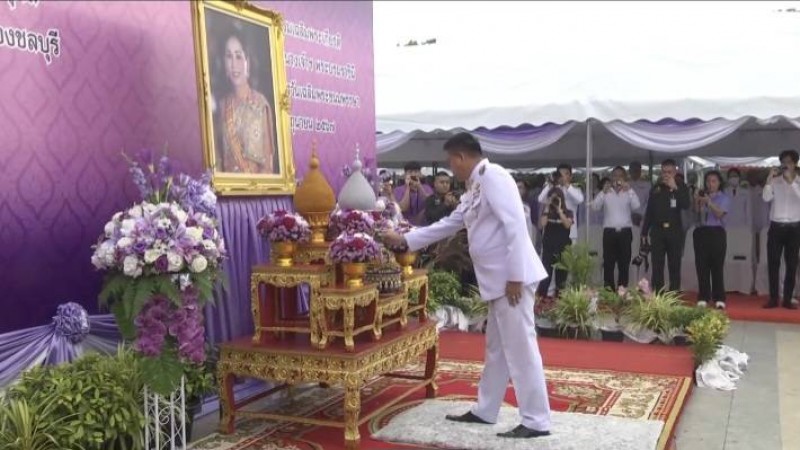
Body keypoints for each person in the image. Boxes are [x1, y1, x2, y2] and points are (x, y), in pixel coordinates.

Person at [381, 132, 551, 439]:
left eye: (451, 161)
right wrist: (406, 240)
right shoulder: (474, 187)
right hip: (499, 282)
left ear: (460, 157)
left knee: (521, 349)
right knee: (497, 348)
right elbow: (449, 224)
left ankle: (536, 420)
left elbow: (515, 225)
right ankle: (486, 410)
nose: (451, 167)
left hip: (512, 279)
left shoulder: (493, 177)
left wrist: (515, 276)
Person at [218, 31, 276, 174]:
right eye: (229, 56)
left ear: (247, 62)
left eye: (238, 56)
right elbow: (218, 160)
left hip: (256, 193)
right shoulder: (222, 105)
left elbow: (267, 166)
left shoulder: (260, 104)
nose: (233, 64)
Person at [641, 159, 691, 293]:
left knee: (674, 264)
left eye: (669, 172)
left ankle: (674, 295)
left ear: (675, 172)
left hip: (674, 231)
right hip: (658, 231)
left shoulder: (681, 186)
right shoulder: (656, 188)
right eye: (664, 172)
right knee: (657, 265)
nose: (666, 175)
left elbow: (686, 204)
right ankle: (658, 295)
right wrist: (644, 232)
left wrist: (675, 188)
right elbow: (649, 211)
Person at [590, 166, 640, 289]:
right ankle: (609, 291)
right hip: (609, 232)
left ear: (624, 178)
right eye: (615, 175)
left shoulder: (628, 192)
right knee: (608, 264)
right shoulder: (606, 192)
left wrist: (630, 191)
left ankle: (622, 291)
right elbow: (595, 207)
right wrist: (603, 192)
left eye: (620, 176)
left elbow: (636, 206)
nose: (617, 178)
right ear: (611, 178)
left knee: (624, 263)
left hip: (625, 232)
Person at [762, 149, 800, 310]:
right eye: (783, 162)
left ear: (795, 164)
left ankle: (787, 298)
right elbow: (766, 198)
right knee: (773, 263)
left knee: (791, 264)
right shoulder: (775, 181)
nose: (786, 165)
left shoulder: (799, 181)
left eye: (789, 162)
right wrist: (769, 181)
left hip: (794, 228)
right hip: (776, 227)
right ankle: (773, 298)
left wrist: (792, 182)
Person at [693, 171, 731, 309]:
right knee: (701, 265)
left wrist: (709, 202)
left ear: (719, 183)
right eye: (708, 181)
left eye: (714, 181)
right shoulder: (702, 195)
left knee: (717, 266)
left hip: (716, 232)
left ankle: (719, 297)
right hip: (701, 232)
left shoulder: (724, 198)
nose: (711, 184)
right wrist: (696, 200)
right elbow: (696, 212)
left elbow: (720, 214)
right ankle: (703, 296)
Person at [536, 187, 574, 299]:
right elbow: (542, 224)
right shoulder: (546, 212)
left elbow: (567, 224)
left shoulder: (568, 212)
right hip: (549, 247)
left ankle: (559, 300)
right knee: (546, 275)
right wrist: (547, 206)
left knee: (561, 277)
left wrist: (559, 210)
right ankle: (542, 300)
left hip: (563, 247)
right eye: (552, 198)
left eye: (557, 198)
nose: (554, 201)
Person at [538, 164, 584, 242]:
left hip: (569, 230)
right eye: (560, 174)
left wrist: (566, 185)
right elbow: (540, 199)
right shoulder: (552, 189)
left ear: (570, 177)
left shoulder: (575, 190)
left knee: (568, 253)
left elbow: (580, 199)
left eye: (565, 174)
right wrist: (550, 184)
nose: (562, 176)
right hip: (552, 230)